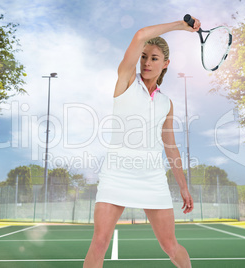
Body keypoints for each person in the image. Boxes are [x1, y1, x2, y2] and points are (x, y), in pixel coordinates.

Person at [83, 17, 201, 268]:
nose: (147, 62)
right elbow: (139, 35)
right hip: (116, 175)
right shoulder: (126, 81)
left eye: (154, 58)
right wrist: (181, 25)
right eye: (144, 56)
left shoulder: (166, 102)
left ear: (166, 63)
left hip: (152, 178)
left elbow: (170, 146)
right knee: (100, 242)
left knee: (170, 246)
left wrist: (183, 186)